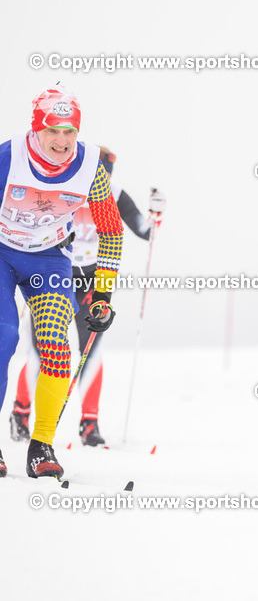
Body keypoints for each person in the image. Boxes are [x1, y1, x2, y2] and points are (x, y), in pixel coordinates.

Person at [0, 86, 123, 479]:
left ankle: (41, 446)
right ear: (36, 129)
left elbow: (112, 230)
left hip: (50, 257)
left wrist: (101, 292)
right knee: (4, 338)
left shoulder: (90, 168)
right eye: (53, 130)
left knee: (56, 347)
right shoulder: (8, 158)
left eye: (70, 131)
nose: (62, 140)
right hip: (1, 253)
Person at [8, 147, 164, 447]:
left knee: (91, 349)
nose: (97, 186)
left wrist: (157, 213)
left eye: (103, 179)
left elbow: (145, 232)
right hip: (55, 275)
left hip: (92, 281)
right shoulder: (66, 188)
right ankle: (21, 413)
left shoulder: (113, 194)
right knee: (44, 349)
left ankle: (89, 424)